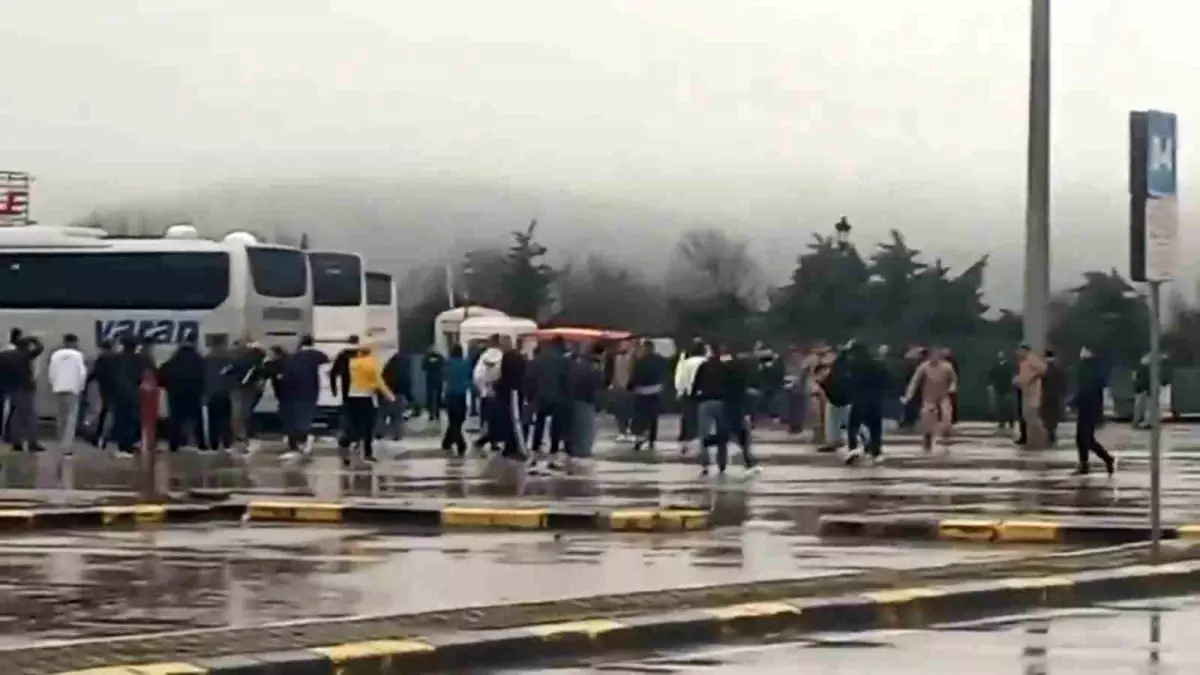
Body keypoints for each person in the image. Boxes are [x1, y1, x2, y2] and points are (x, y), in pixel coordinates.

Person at [337, 343, 394, 464]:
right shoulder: (371, 363)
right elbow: (378, 381)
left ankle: (346, 442)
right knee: (368, 426)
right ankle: (367, 453)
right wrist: (389, 396)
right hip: (366, 397)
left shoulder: (352, 363)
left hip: (352, 397)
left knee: (355, 424)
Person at [1072, 346, 1116, 476]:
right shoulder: (1093, 368)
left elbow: (1086, 389)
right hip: (1089, 407)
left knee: (1083, 438)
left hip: (1088, 407)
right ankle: (1099, 460)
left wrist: (1074, 401)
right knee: (1085, 438)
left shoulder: (1088, 369)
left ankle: (1089, 463)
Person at [904, 347, 958, 452]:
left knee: (946, 416)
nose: (934, 358)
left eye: (936, 356)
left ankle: (945, 435)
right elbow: (915, 381)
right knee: (927, 419)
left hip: (943, 396)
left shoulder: (947, 367)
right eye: (932, 356)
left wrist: (952, 387)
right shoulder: (924, 367)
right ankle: (927, 437)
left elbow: (953, 379)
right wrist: (909, 394)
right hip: (929, 397)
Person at [158, 339, 207, 452]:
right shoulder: (199, 361)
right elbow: (205, 376)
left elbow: (161, 375)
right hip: (194, 394)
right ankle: (201, 444)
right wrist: (202, 390)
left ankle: (174, 444)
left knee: (175, 421)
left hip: (176, 394)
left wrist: (168, 386)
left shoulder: (173, 361)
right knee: (197, 420)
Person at [845, 342, 888, 465]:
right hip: (875, 401)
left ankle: (853, 449)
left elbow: (848, 383)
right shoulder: (878, 365)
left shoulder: (853, 366)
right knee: (875, 428)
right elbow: (886, 381)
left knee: (853, 427)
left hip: (859, 401)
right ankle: (875, 451)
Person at [284, 335, 328, 453]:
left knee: (295, 416)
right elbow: (326, 363)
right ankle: (302, 439)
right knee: (306, 416)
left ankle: (294, 440)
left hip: (294, 391)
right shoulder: (318, 355)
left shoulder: (294, 356)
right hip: (310, 390)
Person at [528, 337, 571, 458]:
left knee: (539, 421)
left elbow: (531, 377)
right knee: (556, 423)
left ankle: (536, 444)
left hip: (541, 395)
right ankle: (554, 446)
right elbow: (567, 380)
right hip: (559, 397)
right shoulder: (564, 362)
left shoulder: (538, 359)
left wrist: (531, 395)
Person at [565, 343, 606, 467]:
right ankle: (582, 454)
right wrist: (599, 404)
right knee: (586, 429)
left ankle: (574, 451)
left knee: (576, 428)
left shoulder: (578, 364)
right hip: (587, 401)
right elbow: (598, 387)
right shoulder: (594, 368)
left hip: (574, 400)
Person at [721, 346, 760, 475]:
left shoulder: (726, 372)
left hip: (727, 404)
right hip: (738, 405)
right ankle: (748, 460)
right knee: (742, 434)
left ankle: (723, 463)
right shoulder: (742, 374)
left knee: (727, 434)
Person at [691, 343, 728, 476]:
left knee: (704, 434)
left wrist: (693, 398)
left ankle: (705, 464)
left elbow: (695, 385)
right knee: (722, 434)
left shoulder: (703, 366)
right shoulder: (725, 367)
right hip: (722, 402)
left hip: (705, 402)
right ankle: (722, 464)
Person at [48, 333, 88, 454]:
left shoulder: (55, 355)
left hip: (58, 388)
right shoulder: (78, 355)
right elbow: (82, 373)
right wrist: (81, 387)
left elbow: (51, 372)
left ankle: (60, 441)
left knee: (61, 416)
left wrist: (54, 384)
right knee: (71, 417)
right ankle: (67, 446)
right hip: (73, 388)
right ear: (74, 342)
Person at [629, 340, 669, 452]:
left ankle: (640, 437)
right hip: (656, 390)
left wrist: (630, 386)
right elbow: (665, 374)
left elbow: (636, 376)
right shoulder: (660, 360)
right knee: (653, 416)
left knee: (640, 416)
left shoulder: (641, 361)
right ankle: (651, 438)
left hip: (642, 391)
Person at [472, 335, 506, 452]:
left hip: (486, 394)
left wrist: (482, 389)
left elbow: (477, 375)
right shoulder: (501, 356)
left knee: (486, 419)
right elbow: (502, 374)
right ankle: (490, 441)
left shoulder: (484, 356)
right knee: (496, 420)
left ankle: (485, 439)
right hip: (497, 393)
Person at [816, 344, 852, 453]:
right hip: (835, 397)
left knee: (851, 420)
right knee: (832, 420)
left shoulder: (843, 364)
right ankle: (833, 441)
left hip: (845, 398)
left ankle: (866, 441)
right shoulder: (837, 364)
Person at [674, 342, 707, 453]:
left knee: (688, 416)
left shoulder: (686, 362)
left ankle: (687, 437)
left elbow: (681, 377)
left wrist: (679, 391)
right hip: (703, 392)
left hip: (688, 393)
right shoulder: (705, 361)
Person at [203, 336, 236, 452]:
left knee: (213, 420)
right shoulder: (231, 358)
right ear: (223, 344)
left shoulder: (206, 359)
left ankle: (214, 443)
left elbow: (204, 377)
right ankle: (227, 442)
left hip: (211, 393)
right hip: (226, 392)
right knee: (226, 418)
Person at [86, 340, 120, 447]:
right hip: (115, 387)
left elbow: (94, 373)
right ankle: (107, 435)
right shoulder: (118, 358)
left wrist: (86, 383)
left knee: (102, 411)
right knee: (111, 411)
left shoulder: (101, 358)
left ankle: (98, 435)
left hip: (103, 387)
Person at [1014, 344, 1048, 449]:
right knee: (1025, 415)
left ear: (1026, 351)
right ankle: (1028, 438)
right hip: (1025, 391)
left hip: (1032, 392)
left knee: (1031, 416)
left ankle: (1039, 438)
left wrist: (1033, 378)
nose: (1019, 354)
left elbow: (1043, 369)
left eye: (1021, 351)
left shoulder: (1032, 358)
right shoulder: (1023, 362)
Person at [442, 345, 472, 455]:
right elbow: (470, 377)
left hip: (450, 394)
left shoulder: (447, 363)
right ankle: (447, 442)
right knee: (459, 420)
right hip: (462, 395)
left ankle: (459, 444)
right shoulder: (466, 363)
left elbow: (444, 376)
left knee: (453, 420)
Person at [379, 351, 411, 442]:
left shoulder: (386, 368)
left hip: (386, 393)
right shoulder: (404, 372)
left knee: (382, 415)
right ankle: (397, 435)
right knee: (397, 416)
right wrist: (408, 396)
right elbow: (407, 384)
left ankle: (380, 433)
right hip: (399, 394)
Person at [608, 341, 635, 440]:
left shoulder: (631, 357)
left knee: (627, 411)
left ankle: (626, 430)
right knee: (620, 411)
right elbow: (613, 372)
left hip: (627, 387)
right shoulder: (616, 358)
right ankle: (622, 430)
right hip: (620, 387)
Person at [1039, 349, 1067, 446]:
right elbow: (1063, 384)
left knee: (1048, 416)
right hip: (1052, 396)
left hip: (1049, 396)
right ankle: (1051, 432)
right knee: (1051, 416)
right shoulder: (1055, 370)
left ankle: (1051, 433)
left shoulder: (1046, 370)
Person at [987, 351, 1016, 432]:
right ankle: (1002, 422)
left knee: (1008, 406)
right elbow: (991, 375)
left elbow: (1012, 376)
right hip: (999, 389)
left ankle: (1010, 421)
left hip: (1007, 388)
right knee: (1001, 407)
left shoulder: (1008, 366)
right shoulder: (996, 366)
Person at [422, 348, 446, 421]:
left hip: (430, 379)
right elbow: (443, 362)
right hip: (438, 379)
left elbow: (423, 367)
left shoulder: (427, 359)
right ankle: (437, 413)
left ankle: (431, 414)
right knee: (438, 397)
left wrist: (426, 357)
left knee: (430, 397)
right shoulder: (440, 358)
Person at [1132, 354, 1151, 429]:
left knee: (1139, 407)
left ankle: (1137, 422)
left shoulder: (1139, 369)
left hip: (1140, 390)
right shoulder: (1145, 370)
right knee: (1144, 407)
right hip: (1143, 390)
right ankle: (1142, 422)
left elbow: (1136, 380)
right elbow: (1145, 381)